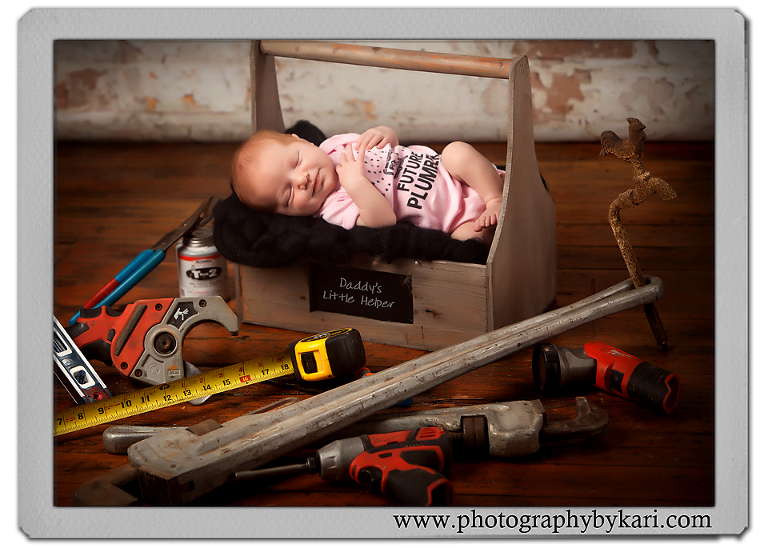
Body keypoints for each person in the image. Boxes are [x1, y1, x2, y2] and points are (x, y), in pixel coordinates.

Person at [230, 125, 505, 244]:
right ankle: (494, 225)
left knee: (456, 151)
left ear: (302, 141)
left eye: (295, 162)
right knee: (466, 242)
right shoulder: (332, 208)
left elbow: (390, 142)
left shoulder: (337, 145)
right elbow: (383, 220)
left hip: (452, 173)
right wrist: (356, 183)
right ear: (285, 215)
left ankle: (495, 196)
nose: (301, 179)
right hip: (456, 219)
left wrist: (383, 132)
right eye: (288, 194)